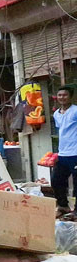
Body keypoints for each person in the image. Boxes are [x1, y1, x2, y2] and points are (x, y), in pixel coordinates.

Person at [53, 86, 77, 214]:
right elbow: (61, 131)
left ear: (71, 96)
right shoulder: (56, 114)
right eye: (60, 95)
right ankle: (63, 206)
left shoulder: (75, 111)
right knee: (56, 180)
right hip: (63, 154)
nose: (62, 97)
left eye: (65, 95)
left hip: (75, 153)